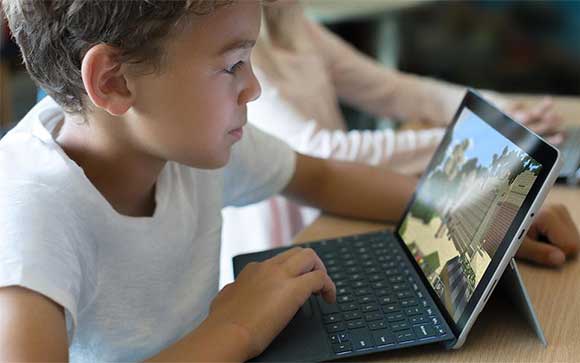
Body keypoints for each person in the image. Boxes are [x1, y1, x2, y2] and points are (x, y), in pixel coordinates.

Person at [0, 1, 577, 362]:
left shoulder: (181, 146)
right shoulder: (30, 214)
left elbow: (321, 176)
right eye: (232, 65)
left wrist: (470, 210)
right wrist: (236, 327)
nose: (252, 89)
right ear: (116, 82)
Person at [220, 0, 566, 286]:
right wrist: (470, 139)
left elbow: (394, 90)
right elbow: (321, 153)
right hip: (285, 230)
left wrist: (497, 113)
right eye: (234, 67)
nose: (248, 84)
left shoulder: (296, 26)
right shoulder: (236, 45)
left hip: (337, 200)